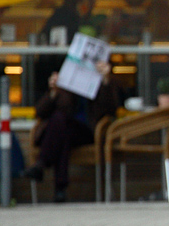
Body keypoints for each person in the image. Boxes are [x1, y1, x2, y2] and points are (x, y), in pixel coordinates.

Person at [24, 60, 121, 202]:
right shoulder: (63, 86)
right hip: (65, 132)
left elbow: (112, 109)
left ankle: (41, 165)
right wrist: (53, 92)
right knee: (63, 131)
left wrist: (106, 80)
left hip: (88, 131)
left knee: (60, 124)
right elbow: (40, 112)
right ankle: (60, 190)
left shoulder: (100, 84)